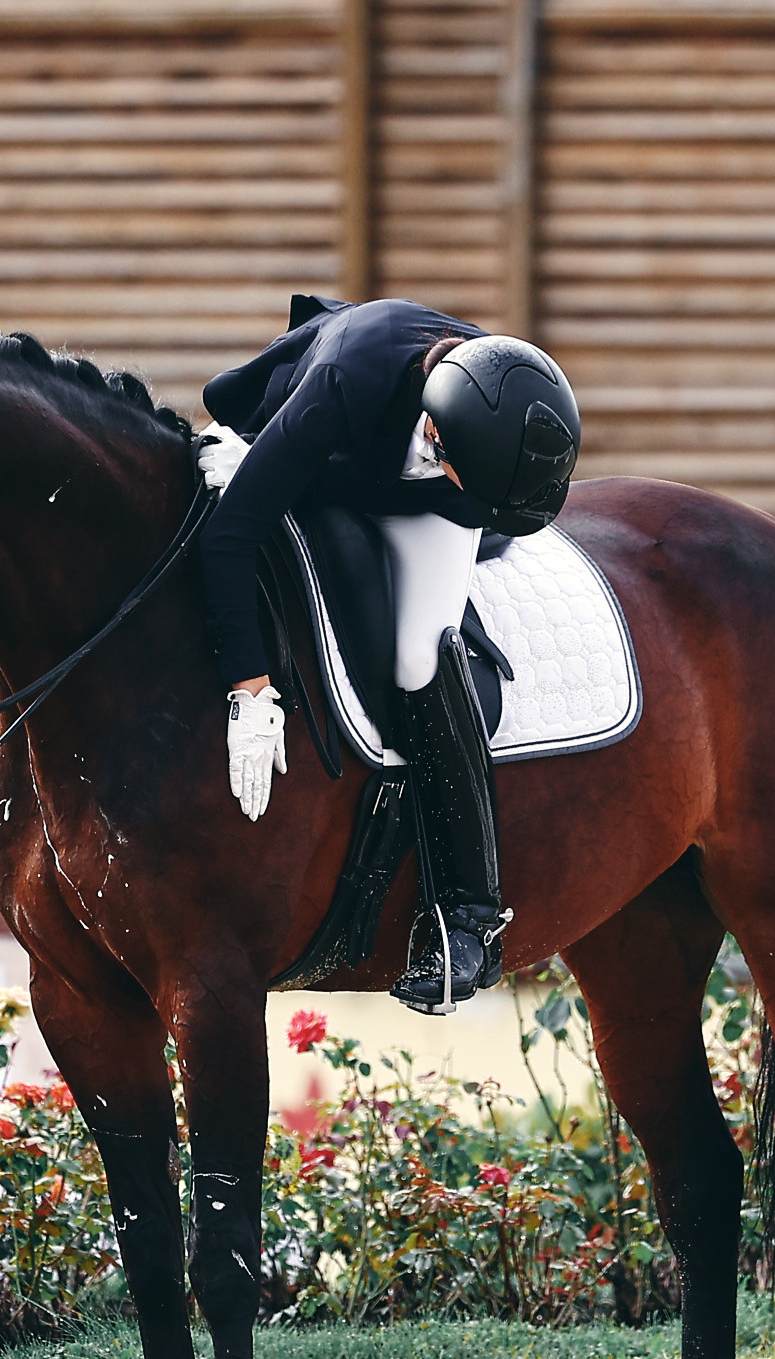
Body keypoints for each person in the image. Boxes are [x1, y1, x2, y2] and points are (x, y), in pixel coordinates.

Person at [196, 295, 581, 1014]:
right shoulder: (345, 388)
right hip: (330, 428)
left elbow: (437, 499)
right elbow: (231, 535)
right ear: (435, 431)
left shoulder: (497, 392)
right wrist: (249, 687)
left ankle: (469, 917)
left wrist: (308, 482)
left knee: (420, 657)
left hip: (428, 495)